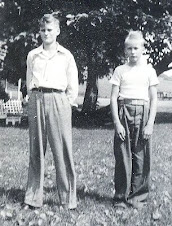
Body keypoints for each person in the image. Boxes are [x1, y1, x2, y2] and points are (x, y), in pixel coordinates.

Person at [24, 13, 78, 210]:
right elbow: (30, 79)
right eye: (43, 30)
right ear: (39, 32)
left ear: (57, 31)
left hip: (58, 100)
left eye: (50, 30)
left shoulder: (66, 55)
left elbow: (73, 84)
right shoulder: (33, 55)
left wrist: (66, 103)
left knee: (62, 150)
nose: (46, 33)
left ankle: (68, 199)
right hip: (37, 98)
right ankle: (33, 198)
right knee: (36, 150)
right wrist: (32, 98)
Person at [110, 30, 159, 209]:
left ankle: (138, 197)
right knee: (123, 156)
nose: (132, 52)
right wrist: (117, 123)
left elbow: (154, 98)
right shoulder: (120, 70)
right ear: (125, 51)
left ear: (142, 49)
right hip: (124, 111)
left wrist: (150, 123)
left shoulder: (149, 71)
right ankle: (121, 197)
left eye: (136, 48)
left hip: (143, 112)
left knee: (141, 157)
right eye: (129, 49)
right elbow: (113, 98)